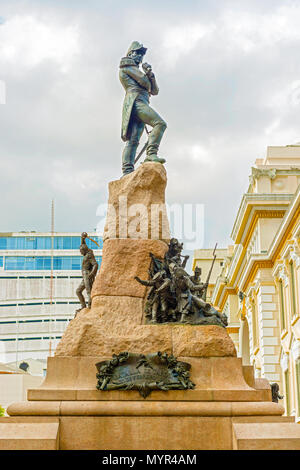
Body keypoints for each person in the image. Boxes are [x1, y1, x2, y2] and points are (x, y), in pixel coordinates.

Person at [119, 41, 167, 175]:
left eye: (142, 54)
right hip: (136, 102)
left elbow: (155, 90)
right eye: (137, 53)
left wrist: (151, 75)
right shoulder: (127, 65)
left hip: (141, 102)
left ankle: (127, 170)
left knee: (133, 139)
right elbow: (145, 82)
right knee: (160, 123)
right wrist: (147, 76)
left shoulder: (135, 69)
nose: (140, 57)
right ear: (130, 53)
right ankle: (151, 153)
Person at [75, 233, 98, 314]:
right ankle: (83, 306)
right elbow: (83, 245)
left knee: (89, 291)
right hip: (84, 275)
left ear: (84, 251)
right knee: (78, 291)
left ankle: (90, 307)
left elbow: (95, 264)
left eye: (81, 251)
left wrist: (92, 274)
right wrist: (82, 238)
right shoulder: (85, 252)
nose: (80, 253)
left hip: (87, 274)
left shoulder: (89, 255)